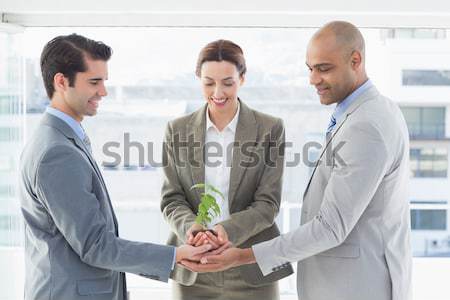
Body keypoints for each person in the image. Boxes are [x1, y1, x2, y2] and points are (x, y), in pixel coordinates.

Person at [181, 21, 413, 300]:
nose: (313, 79)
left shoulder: (367, 125)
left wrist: (242, 255)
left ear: (356, 60)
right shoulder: (369, 112)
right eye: (310, 68)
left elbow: (330, 226)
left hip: (355, 287)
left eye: (324, 68)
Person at [19, 34, 210, 300]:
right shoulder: (56, 152)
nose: (103, 91)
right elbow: (96, 246)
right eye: (94, 82)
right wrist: (175, 256)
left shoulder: (60, 139)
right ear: (61, 82)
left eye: (104, 81)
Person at [160, 39, 293, 300]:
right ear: (198, 78)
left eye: (227, 82)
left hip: (251, 265)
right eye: (209, 82)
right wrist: (193, 229)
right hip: (194, 266)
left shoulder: (269, 129)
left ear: (242, 79)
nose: (218, 92)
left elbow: (267, 203)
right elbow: (171, 199)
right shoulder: (177, 130)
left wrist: (227, 231)